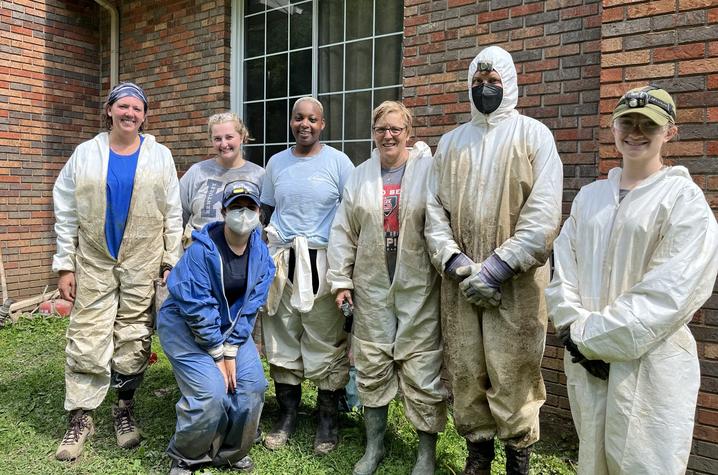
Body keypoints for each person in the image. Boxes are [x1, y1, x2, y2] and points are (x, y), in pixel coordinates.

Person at [545, 86, 718, 475]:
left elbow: (672, 292)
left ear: (669, 132)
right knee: (591, 458)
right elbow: (562, 270)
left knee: (646, 461)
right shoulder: (590, 199)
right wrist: (573, 331)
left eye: (649, 125)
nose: (636, 132)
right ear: (613, 126)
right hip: (586, 364)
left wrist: (589, 338)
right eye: (628, 122)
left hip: (650, 366)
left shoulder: (683, 202)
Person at [424, 46, 563, 475]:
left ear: (510, 84)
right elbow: (433, 213)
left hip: (516, 286)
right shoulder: (451, 144)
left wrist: (498, 268)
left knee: (515, 369)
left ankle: (518, 458)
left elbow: (542, 216)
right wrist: (459, 265)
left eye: (493, 83)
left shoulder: (533, 136)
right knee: (466, 367)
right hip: (461, 282)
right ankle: (478, 454)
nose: (485, 90)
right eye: (478, 83)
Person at [52, 82, 183, 460]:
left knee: (134, 335)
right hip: (94, 259)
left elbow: (173, 214)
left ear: (144, 115)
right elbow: (65, 213)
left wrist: (170, 261)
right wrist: (64, 264)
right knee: (86, 334)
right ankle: (81, 416)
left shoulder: (159, 156)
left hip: (143, 259)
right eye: (123, 106)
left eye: (137, 109)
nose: (130, 114)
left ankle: (123, 407)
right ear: (109, 110)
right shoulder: (85, 154)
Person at [327, 101, 447, 475]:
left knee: (423, 365)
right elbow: (344, 231)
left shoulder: (430, 171)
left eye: (396, 128)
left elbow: (444, 224)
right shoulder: (360, 175)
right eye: (381, 129)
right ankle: (374, 447)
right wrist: (341, 280)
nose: (388, 135)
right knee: (372, 363)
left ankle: (425, 455)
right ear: (373, 133)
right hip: (372, 283)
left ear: (409, 132)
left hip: (419, 283)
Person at [158, 181, 275, 475]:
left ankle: (231, 452)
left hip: (229, 328)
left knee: (252, 387)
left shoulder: (262, 256)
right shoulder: (201, 251)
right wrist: (218, 355)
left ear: (260, 213)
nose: (243, 214)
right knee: (211, 393)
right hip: (186, 325)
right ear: (223, 211)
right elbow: (197, 307)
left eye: (250, 207)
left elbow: (251, 307)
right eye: (236, 207)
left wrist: (232, 349)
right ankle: (188, 456)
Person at [260, 96, 354, 455]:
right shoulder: (276, 163)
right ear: (291, 122)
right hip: (283, 258)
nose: (305, 125)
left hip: (322, 259)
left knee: (325, 336)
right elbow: (266, 210)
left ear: (322, 125)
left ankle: (327, 420)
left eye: (312, 119)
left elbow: (350, 215)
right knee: (283, 332)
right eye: (298, 118)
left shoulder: (338, 163)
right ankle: (286, 416)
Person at [180, 112, 264, 248]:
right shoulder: (197, 172)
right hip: (202, 258)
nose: (224, 144)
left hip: (244, 259)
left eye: (229, 137)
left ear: (241, 137)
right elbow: (178, 216)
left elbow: (266, 222)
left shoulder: (259, 175)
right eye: (217, 139)